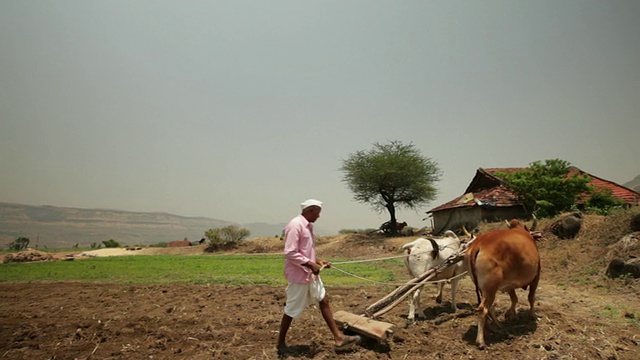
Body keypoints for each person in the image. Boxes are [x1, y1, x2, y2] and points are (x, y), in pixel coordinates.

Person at [276, 199, 360, 356]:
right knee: (291, 309)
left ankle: (339, 337)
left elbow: (305, 251)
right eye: (318, 213)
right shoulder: (296, 225)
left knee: (324, 299)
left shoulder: (308, 226)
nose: (319, 216)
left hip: (310, 274)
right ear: (311, 210)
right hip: (299, 276)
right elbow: (290, 252)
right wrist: (309, 264)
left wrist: (318, 261)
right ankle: (280, 343)